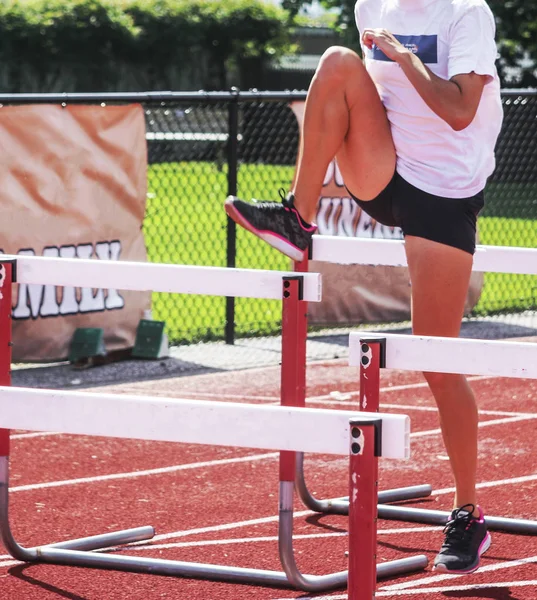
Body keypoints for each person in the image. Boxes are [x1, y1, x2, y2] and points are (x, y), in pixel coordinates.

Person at [225, 0, 503, 575]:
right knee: (336, 61)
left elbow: (459, 110)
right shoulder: (370, 5)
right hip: (384, 172)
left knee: (437, 361)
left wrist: (405, 58)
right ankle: (297, 220)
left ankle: (469, 514)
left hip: (445, 193)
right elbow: (367, 99)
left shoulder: (466, 12)